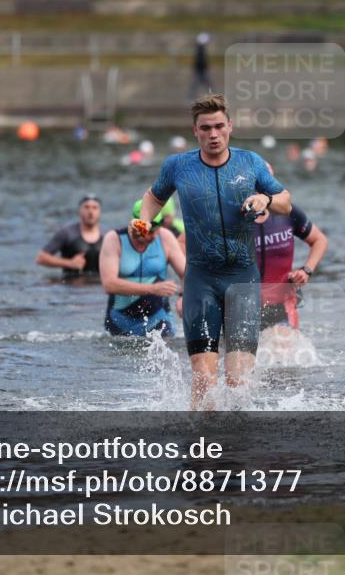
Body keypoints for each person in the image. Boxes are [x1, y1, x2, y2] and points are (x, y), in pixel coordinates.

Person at [134, 93, 292, 409]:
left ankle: (237, 453)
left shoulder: (252, 163)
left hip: (243, 281)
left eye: (219, 126)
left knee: (238, 381)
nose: (213, 134)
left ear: (230, 126)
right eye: (205, 128)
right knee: (204, 380)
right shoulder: (178, 166)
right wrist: (142, 220)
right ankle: (203, 450)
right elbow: (154, 197)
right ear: (196, 131)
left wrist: (266, 200)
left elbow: (286, 202)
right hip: (201, 282)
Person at [255, 165, 329, 332]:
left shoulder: (288, 213)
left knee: (283, 348)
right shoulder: (230, 217)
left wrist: (306, 270)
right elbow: (187, 244)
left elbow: (320, 240)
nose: (262, 189)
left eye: (269, 183)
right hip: (241, 306)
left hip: (282, 303)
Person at [101, 202, 186, 338]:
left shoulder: (165, 237)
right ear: (135, 225)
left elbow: (186, 273)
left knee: (166, 350)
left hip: (158, 317)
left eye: (156, 230)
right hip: (120, 319)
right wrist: (152, 289)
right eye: (149, 232)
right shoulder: (114, 239)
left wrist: (183, 297)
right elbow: (109, 284)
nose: (153, 236)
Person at [36, 195, 104, 279]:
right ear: (80, 211)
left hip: (99, 286)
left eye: (95, 208)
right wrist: (69, 263)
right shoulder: (67, 233)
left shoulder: (107, 236)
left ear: (100, 212)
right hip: (72, 287)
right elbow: (41, 258)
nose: (90, 211)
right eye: (86, 207)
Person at [189, 33, 212, 99]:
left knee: (195, 85)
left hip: (200, 70)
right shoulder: (201, 49)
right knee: (208, 84)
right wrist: (205, 67)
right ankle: (213, 97)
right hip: (201, 70)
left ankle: (190, 97)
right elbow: (201, 60)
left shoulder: (200, 48)